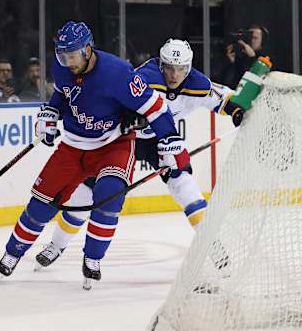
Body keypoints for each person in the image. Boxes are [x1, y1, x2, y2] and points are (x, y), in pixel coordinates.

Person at [0, 22, 190, 289]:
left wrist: (168, 141)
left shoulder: (118, 72)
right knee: (42, 203)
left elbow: (156, 107)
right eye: (62, 55)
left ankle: (93, 259)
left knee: (109, 198)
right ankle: (12, 253)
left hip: (113, 144)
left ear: (87, 49)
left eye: (71, 55)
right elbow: (63, 96)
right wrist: (51, 114)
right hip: (74, 145)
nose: (66, 61)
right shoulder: (61, 66)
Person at [34, 38, 244, 271]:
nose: (174, 75)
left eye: (181, 69)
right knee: (85, 193)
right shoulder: (145, 76)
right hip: (123, 139)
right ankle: (56, 245)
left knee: (184, 185)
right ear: (160, 63)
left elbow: (224, 99)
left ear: (189, 66)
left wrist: (236, 110)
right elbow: (114, 98)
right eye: (169, 68)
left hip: (160, 141)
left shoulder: (197, 83)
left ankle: (211, 244)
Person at [221, 24, 270, 89]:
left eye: (255, 38)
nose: (251, 40)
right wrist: (231, 62)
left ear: (262, 42)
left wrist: (252, 58)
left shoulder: (267, 59)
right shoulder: (239, 58)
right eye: (249, 37)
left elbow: (257, 82)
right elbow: (227, 84)